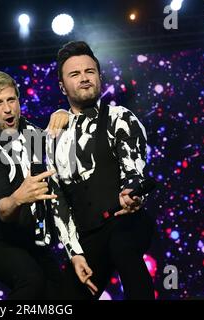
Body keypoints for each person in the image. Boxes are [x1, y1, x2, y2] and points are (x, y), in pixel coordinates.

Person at [46, 41, 155, 299]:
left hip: (125, 223)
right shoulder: (52, 136)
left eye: (89, 72)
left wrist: (132, 193)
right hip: (89, 236)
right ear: (62, 86)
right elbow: (58, 201)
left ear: (99, 77)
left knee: (122, 247)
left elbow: (134, 170)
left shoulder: (120, 118)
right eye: (75, 74)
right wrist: (75, 253)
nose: (84, 78)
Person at [0, 71, 91, 299]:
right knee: (31, 282)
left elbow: (56, 194)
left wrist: (63, 114)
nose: (8, 109)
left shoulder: (33, 134)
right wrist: (20, 197)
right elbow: (3, 210)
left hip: (33, 240)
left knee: (62, 293)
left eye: (11, 99)